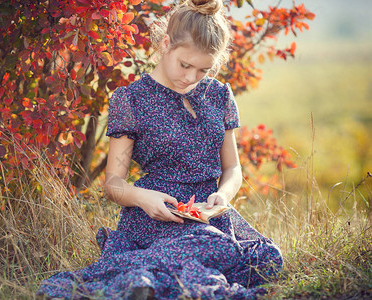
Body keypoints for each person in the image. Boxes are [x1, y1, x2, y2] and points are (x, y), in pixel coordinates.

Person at [37, 0, 283, 299]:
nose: (191, 77)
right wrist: (143, 198)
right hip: (154, 214)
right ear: (166, 44)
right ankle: (133, 278)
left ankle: (142, 279)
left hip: (208, 215)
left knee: (267, 258)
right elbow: (113, 185)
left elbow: (232, 168)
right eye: (185, 65)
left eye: (203, 69)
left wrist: (223, 195)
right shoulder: (131, 99)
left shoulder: (219, 94)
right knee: (214, 247)